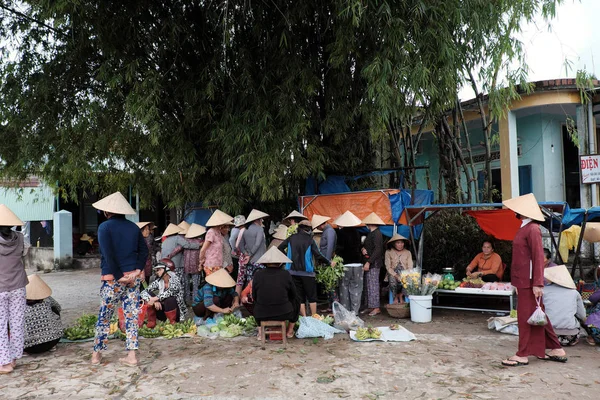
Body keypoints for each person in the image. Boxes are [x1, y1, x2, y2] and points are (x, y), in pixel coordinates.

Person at [501, 193, 567, 366]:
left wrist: (537, 283)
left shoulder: (532, 228)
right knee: (537, 314)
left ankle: (522, 354)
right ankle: (556, 347)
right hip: (524, 280)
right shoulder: (526, 227)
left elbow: (538, 257)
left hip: (529, 281)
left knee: (525, 316)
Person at [91, 192, 148, 367]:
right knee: (131, 316)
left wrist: (118, 276)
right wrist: (137, 271)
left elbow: (108, 255)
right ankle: (132, 356)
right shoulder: (133, 228)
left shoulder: (104, 228)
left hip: (112, 279)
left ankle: (96, 355)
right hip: (133, 278)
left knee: (105, 316)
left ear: (107, 212)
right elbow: (144, 251)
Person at [278, 220, 332, 317]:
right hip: (307, 273)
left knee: (299, 297)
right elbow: (318, 255)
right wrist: (329, 262)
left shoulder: (291, 238)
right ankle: (314, 316)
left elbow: (280, 248)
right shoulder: (310, 240)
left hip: (292, 272)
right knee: (312, 296)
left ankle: (304, 318)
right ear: (309, 230)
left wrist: (287, 257)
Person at [0, 205, 28, 374]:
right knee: (17, 323)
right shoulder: (20, 238)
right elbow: (24, 255)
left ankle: (4, 363)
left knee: (1, 326)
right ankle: (14, 358)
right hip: (18, 286)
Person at [252, 247, 299, 339]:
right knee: (297, 300)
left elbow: (254, 296)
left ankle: (260, 333)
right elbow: (293, 294)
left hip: (262, 314)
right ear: (280, 262)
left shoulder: (258, 274)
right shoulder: (286, 274)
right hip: (284, 313)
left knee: (256, 303)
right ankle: (289, 331)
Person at [542, 265, 586, 346]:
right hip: (570, 337)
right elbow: (582, 315)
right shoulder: (574, 292)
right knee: (577, 317)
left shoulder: (543, 291)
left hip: (547, 336)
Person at [23, 274, 63, 354]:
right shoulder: (47, 299)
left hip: (27, 347)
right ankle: (52, 333)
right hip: (52, 341)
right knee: (54, 310)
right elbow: (58, 308)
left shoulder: (17, 305)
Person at [162, 222, 200, 301]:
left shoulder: (165, 241)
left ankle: (171, 300)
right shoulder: (177, 238)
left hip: (166, 265)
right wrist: (199, 245)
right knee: (180, 284)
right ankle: (181, 301)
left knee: (171, 283)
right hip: (177, 265)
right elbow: (187, 245)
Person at [140, 260, 187, 324]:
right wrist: (154, 301)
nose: (157, 272)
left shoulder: (176, 280)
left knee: (170, 299)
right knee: (149, 294)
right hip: (162, 310)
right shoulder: (159, 281)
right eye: (156, 270)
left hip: (177, 313)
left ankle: (172, 323)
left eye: (159, 270)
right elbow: (143, 292)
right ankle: (151, 323)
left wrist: (155, 298)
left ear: (167, 270)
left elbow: (169, 292)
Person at [335, 211, 364, 315]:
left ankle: (346, 312)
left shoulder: (341, 233)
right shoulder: (358, 232)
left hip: (345, 264)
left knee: (344, 288)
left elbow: (339, 248)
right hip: (357, 264)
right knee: (356, 288)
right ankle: (354, 312)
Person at [236, 209, 269, 297]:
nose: (262, 221)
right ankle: (259, 299)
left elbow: (240, 245)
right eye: (261, 219)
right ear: (256, 220)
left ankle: (248, 300)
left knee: (250, 281)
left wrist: (246, 253)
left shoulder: (245, 230)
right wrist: (250, 254)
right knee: (260, 281)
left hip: (250, 261)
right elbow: (257, 244)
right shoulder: (260, 230)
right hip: (259, 259)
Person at [361, 212, 385, 316]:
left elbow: (378, 250)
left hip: (373, 264)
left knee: (373, 286)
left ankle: (376, 307)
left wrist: (369, 262)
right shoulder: (371, 233)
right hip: (369, 262)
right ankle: (370, 306)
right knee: (368, 285)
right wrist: (363, 249)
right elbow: (370, 247)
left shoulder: (377, 234)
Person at [199, 210, 234, 276]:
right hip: (211, 265)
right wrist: (201, 262)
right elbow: (203, 250)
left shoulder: (218, 232)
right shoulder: (211, 232)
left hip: (218, 264)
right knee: (214, 284)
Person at [385, 233, 413, 304]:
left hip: (405, 273)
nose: (400, 245)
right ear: (394, 244)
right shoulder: (388, 252)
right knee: (392, 280)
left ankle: (401, 295)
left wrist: (405, 275)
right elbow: (388, 267)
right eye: (398, 243)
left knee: (410, 280)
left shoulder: (408, 252)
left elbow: (410, 266)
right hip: (393, 273)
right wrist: (396, 275)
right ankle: (395, 296)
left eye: (402, 242)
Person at [182, 224, 206, 303]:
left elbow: (177, 249)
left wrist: (169, 255)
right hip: (196, 266)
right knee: (196, 285)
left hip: (185, 266)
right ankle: (195, 301)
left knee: (186, 284)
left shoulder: (185, 241)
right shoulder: (201, 242)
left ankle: (186, 300)